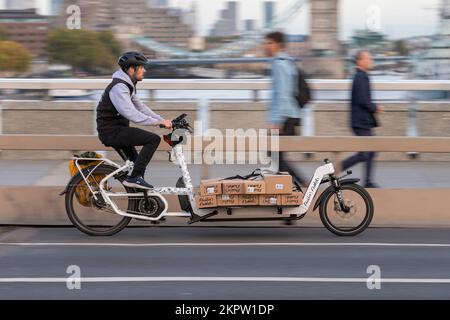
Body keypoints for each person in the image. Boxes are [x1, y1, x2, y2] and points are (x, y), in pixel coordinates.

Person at [96, 51, 172, 189]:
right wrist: (157, 123)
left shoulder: (127, 85)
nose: (145, 70)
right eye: (141, 67)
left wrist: (162, 120)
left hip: (118, 130)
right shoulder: (119, 87)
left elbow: (141, 107)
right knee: (153, 139)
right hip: (112, 132)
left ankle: (136, 201)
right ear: (131, 69)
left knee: (136, 165)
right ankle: (134, 179)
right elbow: (130, 113)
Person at [263, 31, 306, 186]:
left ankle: (301, 185)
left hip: (285, 116)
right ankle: (288, 188)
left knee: (274, 155)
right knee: (276, 156)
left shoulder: (279, 63)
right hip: (291, 114)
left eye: (268, 43)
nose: (265, 46)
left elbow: (282, 93)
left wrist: (277, 121)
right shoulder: (287, 61)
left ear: (276, 44)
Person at [341, 50, 383, 188]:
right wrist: (375, 107)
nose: (371, 61)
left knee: (369, 152)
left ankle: (368, 181)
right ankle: (337, 168)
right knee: (365, 153)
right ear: (360, 61)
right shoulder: (360, 77)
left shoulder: (361, 76)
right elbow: (363, 100)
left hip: (362, 121)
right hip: (361, 122)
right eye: (368, 59)